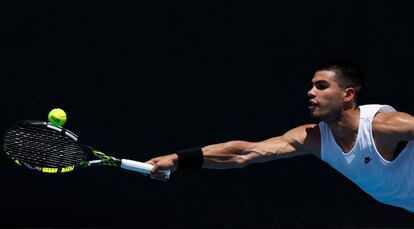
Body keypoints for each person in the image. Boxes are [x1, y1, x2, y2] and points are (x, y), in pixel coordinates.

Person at [146, 59, 414, 213]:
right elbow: (244, 153)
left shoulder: (384, 126)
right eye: (311, 86)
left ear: (348, 95)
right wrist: (179, 159)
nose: (310, 92)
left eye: (321, 86)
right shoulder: (312, 138)